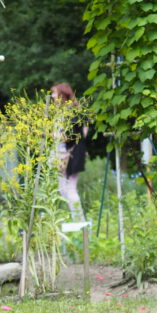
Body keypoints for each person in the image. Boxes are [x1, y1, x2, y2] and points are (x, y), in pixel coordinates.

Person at [52, 82, 87, 218]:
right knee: (63, 189)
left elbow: (71, 136)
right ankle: (76, 220)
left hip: (70, 154)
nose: (53, 96)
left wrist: (49, 135)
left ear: (62, 95)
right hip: (64, 153)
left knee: (70, 189)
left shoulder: (70, 112)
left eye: (54, 93)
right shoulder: (67, 111)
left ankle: (79, 221)